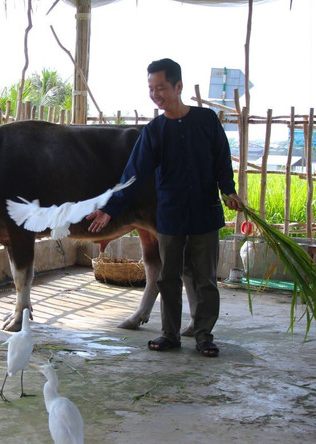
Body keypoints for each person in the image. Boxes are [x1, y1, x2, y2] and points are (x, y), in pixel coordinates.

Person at [87, 58, 243, 357]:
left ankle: (204, 336)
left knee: (206, 279)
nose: (155, 94)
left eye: (160, 87)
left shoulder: (207, 120)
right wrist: (110, 208)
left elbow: (222, 159)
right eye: (151, 88)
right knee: (168, 277)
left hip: (205, 212)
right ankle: (169, 334)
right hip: (170, 215)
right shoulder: (154, 131)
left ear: (178, 86)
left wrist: (228, 190)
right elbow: (133, 174)